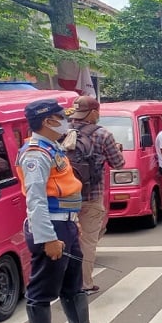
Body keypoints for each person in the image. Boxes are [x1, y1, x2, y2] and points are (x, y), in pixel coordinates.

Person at [17, 99, 120, 323]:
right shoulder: (36, 153)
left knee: (73, 283)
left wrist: (71, 221)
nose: (66, 120)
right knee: (42, 288)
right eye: (60, 116)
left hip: (65, 222)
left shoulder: (54, 148)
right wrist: (47, 238)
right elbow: (35, 199)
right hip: (50, 225)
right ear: (47, 121)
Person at [64, 96, 125, 294]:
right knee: (88, 241)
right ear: (93, 113)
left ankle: (63, 282)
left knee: (64, 240)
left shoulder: (61, 132)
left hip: (63, 197)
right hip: (90, 196)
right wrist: (116, 150)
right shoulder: (102, 134)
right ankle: (84, 284)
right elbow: (118, 164)